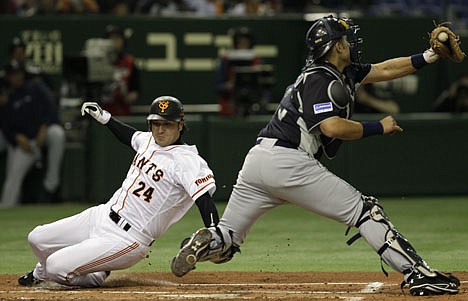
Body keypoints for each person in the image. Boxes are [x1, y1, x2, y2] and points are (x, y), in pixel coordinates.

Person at [170, 15, 460, 296]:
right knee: (365, 212)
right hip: (288, 161)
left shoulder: (337, 73)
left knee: (229, 240)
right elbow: (332, 126)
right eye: (345, 39)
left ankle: (207, 240)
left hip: (258, 162)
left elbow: (384, 70)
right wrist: (379, 127)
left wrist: (429, 56)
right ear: (336, 46)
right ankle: (419, 274)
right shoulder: (322, 78)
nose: (350, 43)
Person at [17, 96, 220, 288]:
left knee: (56, 267)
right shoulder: (148, 140)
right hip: (101, 216)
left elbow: (204, 200)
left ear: (180, 125)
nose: (160, 130)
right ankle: (40, 274)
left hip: (128, 238)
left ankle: (95, 277)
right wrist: (104, 118)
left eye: (167, 124)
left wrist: (213, 232)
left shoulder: (188, 161)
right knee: (37, 238)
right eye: (156, 123)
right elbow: (129, 136)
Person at [0, 62, 65, 207]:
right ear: (8, 78)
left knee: (57, 133)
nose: (16, 77)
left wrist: (44, 126)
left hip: (43, 135)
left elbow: (51, 108)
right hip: (25, 144)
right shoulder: (7, 99)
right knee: (13, 177)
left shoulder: (35, 87)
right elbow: (5, 126)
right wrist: (16, 137)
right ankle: (6, 209)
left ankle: (50, 185)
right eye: (12, 75)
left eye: (18, 73)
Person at [214, 26, 263, 116]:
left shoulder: (256, 60)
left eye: (246, 41)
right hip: (229, 107)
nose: (243, 43)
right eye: (240, 41)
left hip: (252, 107)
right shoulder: (226, 59)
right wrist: (228, 86)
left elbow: (263, 87)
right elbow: (217, 86)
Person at [101, 24, 140, 116]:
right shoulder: (97, 62)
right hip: (100, 112)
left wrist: (124, 95)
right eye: (110, 39)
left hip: (121, 113)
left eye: (117, 38)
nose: (113, 42)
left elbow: (135, 91)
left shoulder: (129, 62)